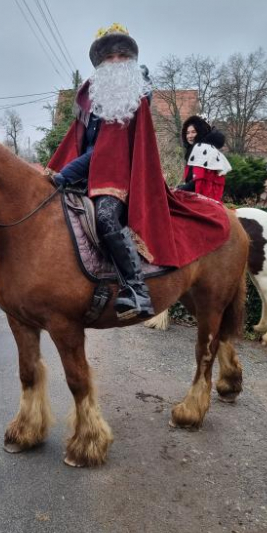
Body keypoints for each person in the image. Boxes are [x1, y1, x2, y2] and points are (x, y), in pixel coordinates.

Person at [46, 25, 169, 320]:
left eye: (121, 55)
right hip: (88, 174)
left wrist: (63, 175)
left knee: (104, 217)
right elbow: (78, 145)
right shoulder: (91, 100)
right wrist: (54, 172)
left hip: (119, 178)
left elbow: (107, 155)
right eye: (108, 56)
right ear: (99, 65)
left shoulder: (131, 99)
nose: (115, 61)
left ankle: (137, 290)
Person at [176, 115, 231, 201]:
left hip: (203, 199)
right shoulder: (197, 149)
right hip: (198, 196)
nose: (189, 136)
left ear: (200, 132)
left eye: (193, 132)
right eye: (187, 133)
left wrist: (180, 189)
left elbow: (199, 180)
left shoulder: (202, 149)